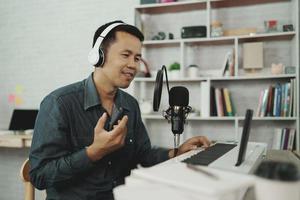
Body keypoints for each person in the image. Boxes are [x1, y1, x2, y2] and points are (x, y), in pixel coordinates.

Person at [29, 20, 210, 200]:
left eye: (137, 58)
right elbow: (40, 176)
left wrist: (176, 153)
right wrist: (93, 152)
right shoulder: (59, 103)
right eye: (126, 55)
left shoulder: (130, 104)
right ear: (98, 56)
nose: (134, 65)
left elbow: (143, 154)